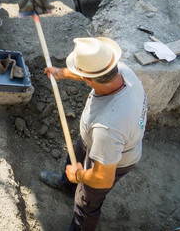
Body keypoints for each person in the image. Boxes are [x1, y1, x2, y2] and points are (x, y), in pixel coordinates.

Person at [39, 37, 147, 231]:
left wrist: (80, 175)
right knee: (75, 156)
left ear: (89, 80)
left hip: (112, 158)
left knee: (87, 202)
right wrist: (60, 73)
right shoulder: (119, 70)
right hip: (96, 140)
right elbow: (92, 74)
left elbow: (103, 178)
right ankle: (67, 185)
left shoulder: (108, 128)